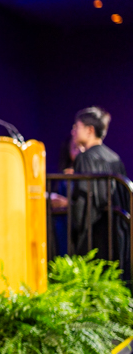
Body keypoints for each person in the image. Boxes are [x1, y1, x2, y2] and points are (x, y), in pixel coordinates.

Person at [70, 107, 128, 267]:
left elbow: (83, 203)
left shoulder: (85, 158)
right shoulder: (114, 157)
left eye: (77, 127)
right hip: (116, 234)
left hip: (93, 236)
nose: (73, 131)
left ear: (89, 130)